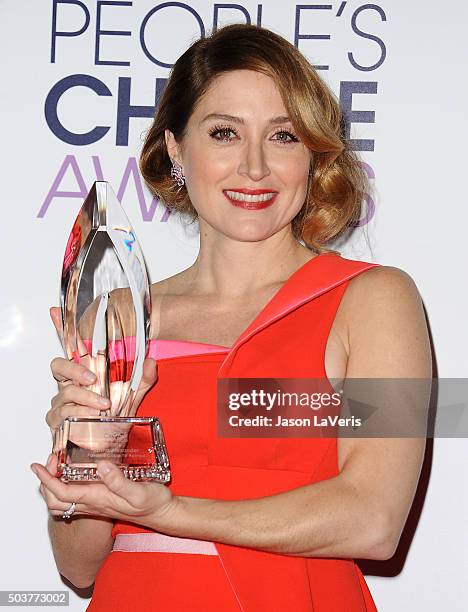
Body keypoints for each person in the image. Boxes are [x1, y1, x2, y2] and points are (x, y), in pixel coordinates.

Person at [31, 23, 432, 611]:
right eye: (224, 133)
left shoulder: (378, 299)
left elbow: (375, 521)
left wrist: (173, 512)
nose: (254, 167)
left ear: (312, 156)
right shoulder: (118, 313)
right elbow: (79, 564)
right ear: (175, 150)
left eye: (284, 136)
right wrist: (90, 444)